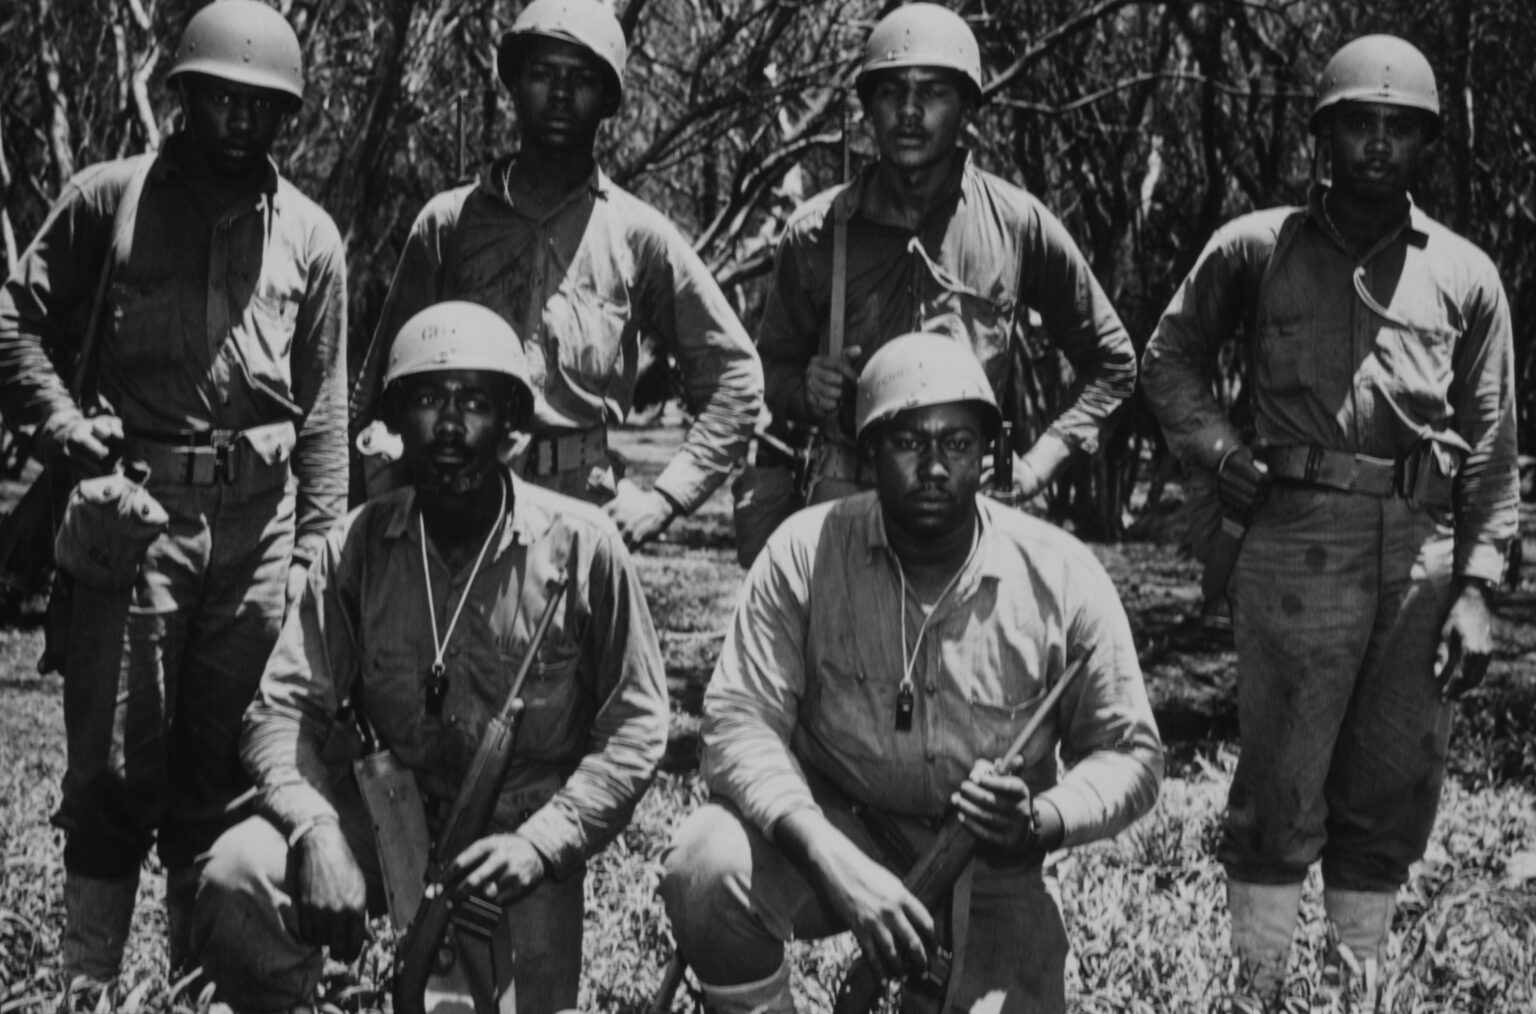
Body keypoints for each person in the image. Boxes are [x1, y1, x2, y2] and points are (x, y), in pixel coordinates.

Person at [1141, 34, 1518, 1012]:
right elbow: (1168, 359)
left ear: (1426, 143)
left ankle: (1359, 987)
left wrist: (1477, 587)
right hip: (1293, 540)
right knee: (1279, 780)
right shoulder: (1257, 246)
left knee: (1393, 779)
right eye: (1360, 123)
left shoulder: (1466, 274)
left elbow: (1489, 440)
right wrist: (1220, 451)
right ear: (1325, 133)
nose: (1379, 145)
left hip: (1420, 548)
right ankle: (1260, 990)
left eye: (1400, 128)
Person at [0, 0, 347, 995]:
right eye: (221, 98)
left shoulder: (311, 236)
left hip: (260, 535)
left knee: (229, 775)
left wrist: (318, 555)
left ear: (287, 117)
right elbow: (14, 324)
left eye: (263, 105)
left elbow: (326, 412)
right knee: (112, 770)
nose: (241, 120)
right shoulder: (109, 200)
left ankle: (196, 986)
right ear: (184, 94)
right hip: (138, 519)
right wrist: (63, 426)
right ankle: (87, 984)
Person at [660, 332, 1163, 1014]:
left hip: (990, 860)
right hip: (841, 826)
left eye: (957, 443)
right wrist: (829, 857)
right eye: (907, 442)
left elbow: (1132, 753)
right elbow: (737, 722)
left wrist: (1039, 821)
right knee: (705, 866)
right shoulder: (804, 553)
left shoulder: (1062, 576)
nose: (933, 467)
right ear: (867, 453)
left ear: (988, 453)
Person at [191, 301, 670, 1012]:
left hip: (515, 842)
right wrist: (316, 828)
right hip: (385, 816)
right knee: (239, 876)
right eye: (426, 401)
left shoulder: (584, 549)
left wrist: (544, 843)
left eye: (474, 402)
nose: (449, 427)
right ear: (396, 420)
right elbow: (279, 713)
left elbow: (637, 727)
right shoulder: (358, 545)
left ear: (510, 422)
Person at [351, 0, 762, 550]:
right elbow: (377, 392)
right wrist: (350, 538)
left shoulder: (637, 235)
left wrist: (665, 499)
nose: (561, 94)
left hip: (579, 514)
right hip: (450, 505)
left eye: (582, 79)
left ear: (608, 99)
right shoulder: (449, 224)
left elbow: (736, 377)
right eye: (543, 73)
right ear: (515, 84)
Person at [743, 3, 1136, 563]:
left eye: (932, 92)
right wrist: (805, 392)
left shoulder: (1015, 224)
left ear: (968, 107)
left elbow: (1112, 361)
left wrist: (1037, 466)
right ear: (868, 108)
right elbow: (766, 373)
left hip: (970, 511)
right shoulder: (816, 233)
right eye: (890, 91)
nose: (909, 111)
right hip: (847, 509)